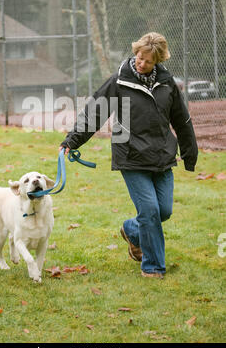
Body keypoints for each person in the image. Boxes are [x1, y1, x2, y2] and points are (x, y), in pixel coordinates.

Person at [59, 32, 198, 279]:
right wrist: (72, 140)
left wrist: (189, 152)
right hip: (131, 156)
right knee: (150, 210)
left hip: (161, 156)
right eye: (139, 57)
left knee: (163, 211)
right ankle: (153, 267)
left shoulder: (167, 84)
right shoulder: (119, 82)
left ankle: (131, 229)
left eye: (148, 61)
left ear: (158, 61)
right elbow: (95, 114)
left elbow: (182, 119)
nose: (141, 63)